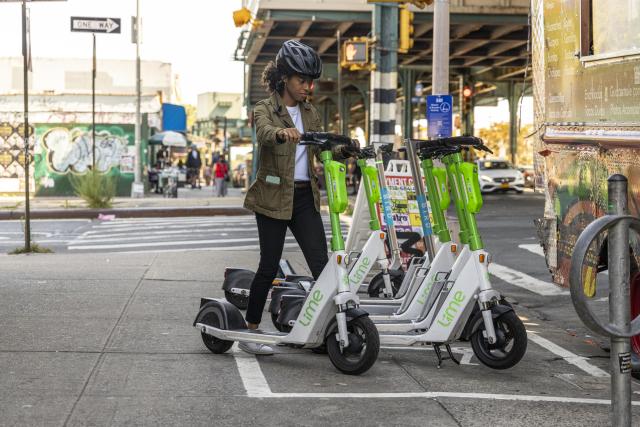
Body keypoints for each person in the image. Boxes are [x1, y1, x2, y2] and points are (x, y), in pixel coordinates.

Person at [241, 40, 355, 355]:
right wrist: (282, 133)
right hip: (273, 197)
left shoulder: (310, 112)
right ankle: (250, 330)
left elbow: (323, 147)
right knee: (268, 265)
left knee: (322, 264)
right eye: (302, 80)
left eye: (310, 81)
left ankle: (324, 328)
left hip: (304, 198)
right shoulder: (264, 109)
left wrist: (345, 148)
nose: (308, 86)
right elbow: (263, 132)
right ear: (285, 79)